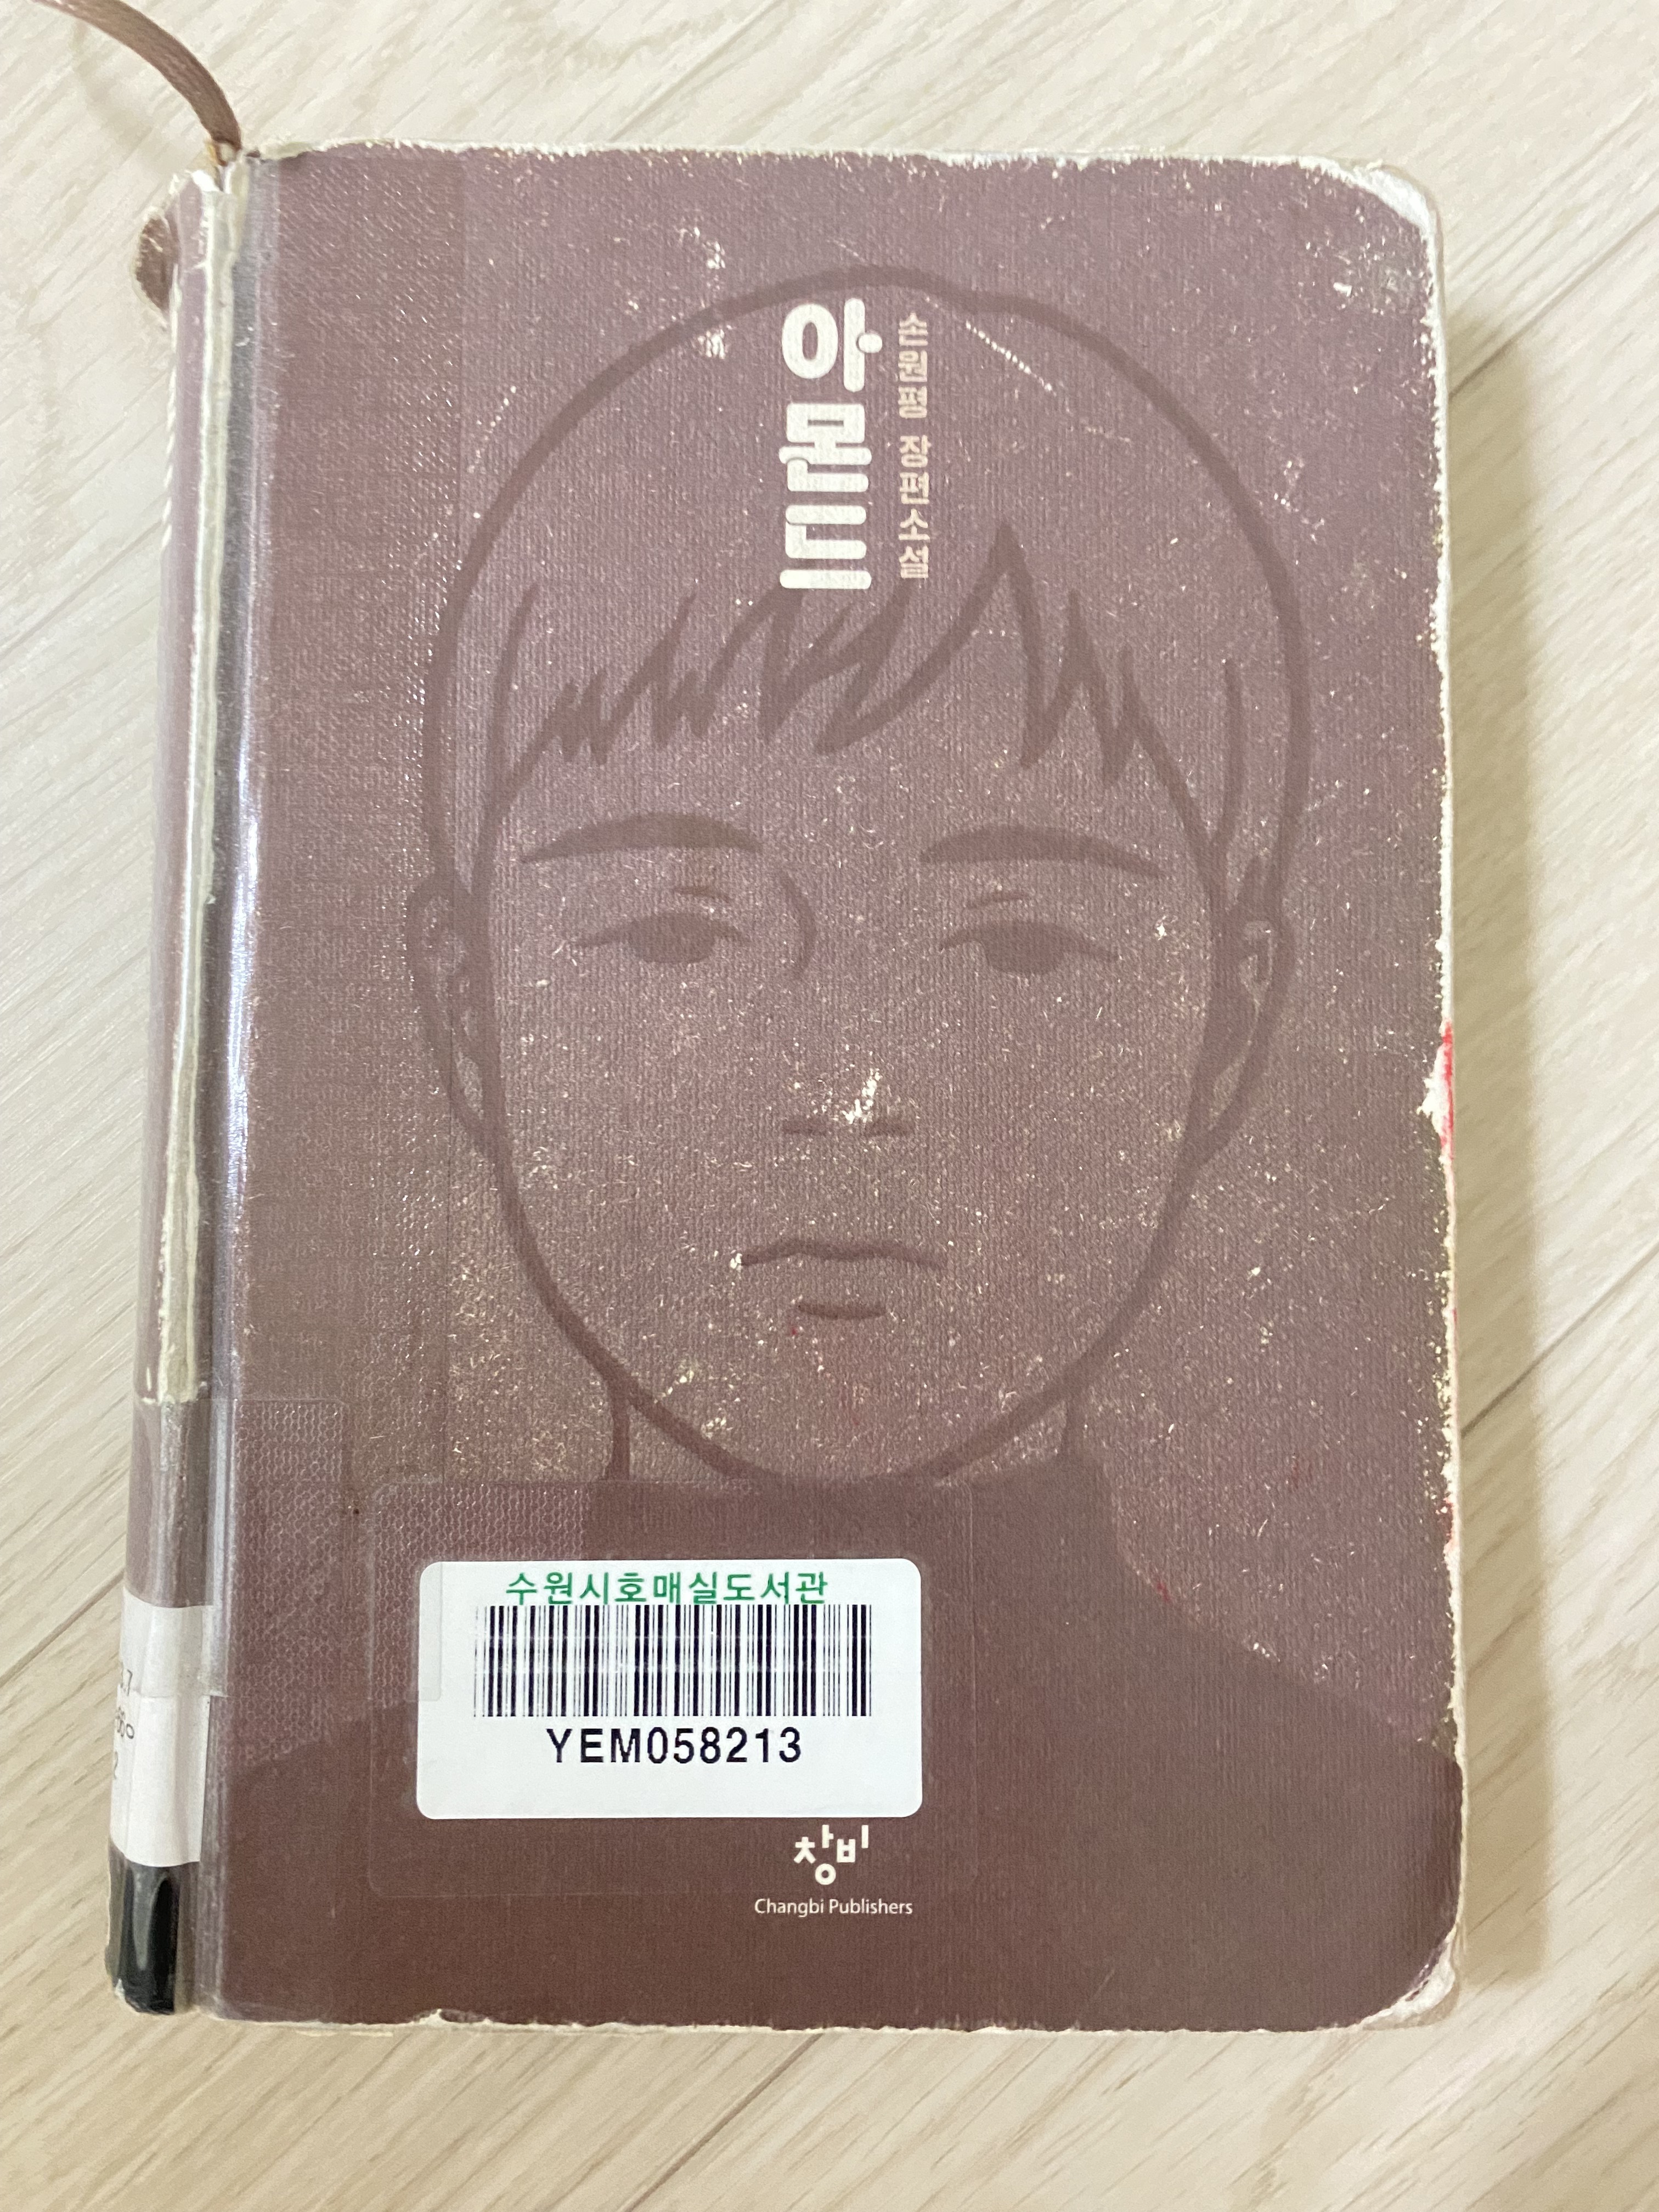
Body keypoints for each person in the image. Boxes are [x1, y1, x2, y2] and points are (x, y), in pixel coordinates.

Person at [393, 275, 1459, 2027]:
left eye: (1021, 947)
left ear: (1232, 1022)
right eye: (675, 934)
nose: (848, 1086)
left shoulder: (1350, 1852)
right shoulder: (312, 1850)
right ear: (465, 1007)